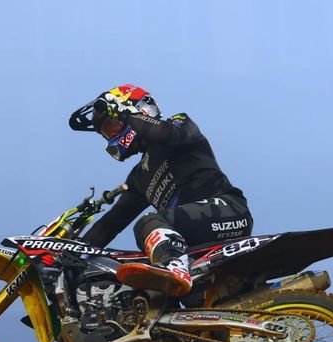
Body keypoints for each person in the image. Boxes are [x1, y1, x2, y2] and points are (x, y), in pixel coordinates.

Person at [69, 84, 253, 297]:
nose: (110, 136)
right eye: (106, 133)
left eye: (112, 125)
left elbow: (166, 133)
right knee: (172, 297)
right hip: (198, 243)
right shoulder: (139, 177)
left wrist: (125, 115)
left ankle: (172, 265)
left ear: (137, 109)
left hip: (229, 211)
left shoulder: (179, 124)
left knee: (148, 223)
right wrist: (71, 253)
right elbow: (109, 224)